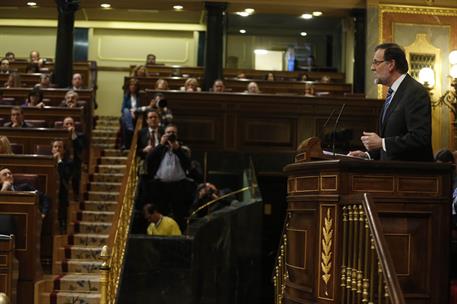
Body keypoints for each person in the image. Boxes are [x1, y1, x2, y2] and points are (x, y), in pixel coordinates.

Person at [348, 43, 433, 161]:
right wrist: (368, 155)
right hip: (392, 173)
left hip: (410, 175)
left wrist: (382, 143)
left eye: (376, 62)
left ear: (391, 65)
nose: (372, 67)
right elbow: (390, 138)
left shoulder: (415, 92)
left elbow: (420, 138)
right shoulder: (393, 93)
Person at [145, 123, 193, 231]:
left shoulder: (183, 149)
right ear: (164, 134)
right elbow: (149, 160)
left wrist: (177, 149)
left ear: (177, 135)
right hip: (161, 186)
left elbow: (188, 164)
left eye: (173, 133)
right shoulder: (160, 149)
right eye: (168, 132)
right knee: (161, 212)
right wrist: (161, 145)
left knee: (180, 213)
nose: (171, 134)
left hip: (179, 186)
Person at [52, 140, 73, 233]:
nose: (57, 149)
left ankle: (61, 225)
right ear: (52, 149)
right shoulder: (46, 161)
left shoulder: (68, 163)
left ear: (64, 150)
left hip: (61, 190)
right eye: (55, 147)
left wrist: (59, 161)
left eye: (60, 147)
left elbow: (66, 175)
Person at [63, 116, 85, 201]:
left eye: (71, 124)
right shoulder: (59, 135)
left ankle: (76, 197)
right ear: (63, 126)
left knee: (75, 174)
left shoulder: (79, 136)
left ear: (74, 126)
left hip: (75, 161)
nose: (69, 126)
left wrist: (73, 135)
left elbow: (80, 147)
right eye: (67, 124)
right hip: (64, 161)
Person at [120, 78, 140, 149]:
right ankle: (130, 128)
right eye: (131, 85)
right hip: (128, 115)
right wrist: (130, 112)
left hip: (137, 115)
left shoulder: (139, 96)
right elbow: (122, 109)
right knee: (125, 112)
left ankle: (125, 144)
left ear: (137, 87)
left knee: (123, 120)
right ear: (129, 86)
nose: (133, 86)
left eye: (134, 85)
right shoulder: (127, 96)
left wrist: (134, 111)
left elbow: (140, 107)